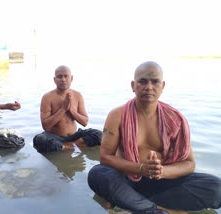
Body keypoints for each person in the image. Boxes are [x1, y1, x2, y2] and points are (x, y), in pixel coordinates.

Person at [87, 61, 221, 214]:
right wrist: (141, 169)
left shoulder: (174, 119)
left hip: (165, 181)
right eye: (143, 81)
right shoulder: (117, 115)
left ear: (162, 86)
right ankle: (155, 209)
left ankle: (136, 204)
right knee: (98, 174)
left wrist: (161, 172)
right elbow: (105, 158)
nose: (149, 87)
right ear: (133, 85)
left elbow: (189, 164)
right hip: (129, 180)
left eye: (155, 81)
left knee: (216, 187)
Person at [33, 65, 102, 152]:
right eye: (59, 76)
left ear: (71, 78)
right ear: (54, 80)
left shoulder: (77, 95)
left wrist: (72, 111)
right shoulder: (47, 97)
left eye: (66, 76)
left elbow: (85, 122)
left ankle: (68, 146)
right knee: (40, 139)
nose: (63, 79)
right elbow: (45, 126)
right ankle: (71, 147)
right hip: (55, 136)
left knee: (100, 135)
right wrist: (63, 109)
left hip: (75, 136)